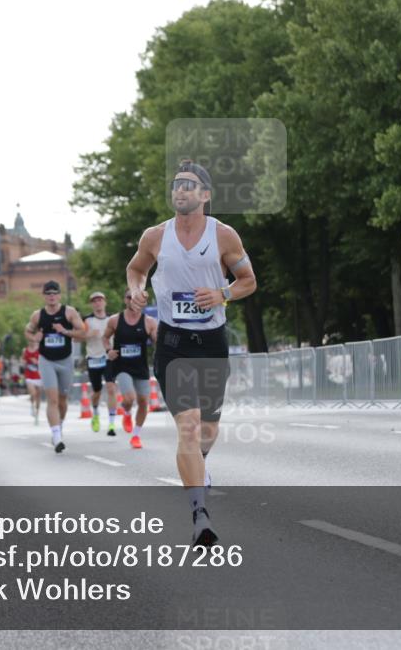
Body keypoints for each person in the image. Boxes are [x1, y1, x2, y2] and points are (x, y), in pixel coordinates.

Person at [126, 159, 256, 546]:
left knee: (208, 430)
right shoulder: (155, 236)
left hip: (212, 341)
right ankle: (200, 514)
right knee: (189, 425)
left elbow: (249, 280)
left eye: (188, 184)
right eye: (176, 184)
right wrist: (136, 289)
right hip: (173, 343)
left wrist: (222, 294)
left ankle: (198, 463)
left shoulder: (224, 236)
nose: (180, 190)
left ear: (205, 195)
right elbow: (136, 269)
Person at [25, 280, 87, 452]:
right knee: (52, 399)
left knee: (62, 399)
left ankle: (59, 425)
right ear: (44, 296)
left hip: (65, 360)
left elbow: (83, 332)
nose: (51, 296)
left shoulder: (69, 312)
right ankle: (57, 436)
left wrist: (65, 331)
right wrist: (34, 337)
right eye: (48, 293)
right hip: (47, 360)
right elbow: (28, 330)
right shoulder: (38, 315)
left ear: (59, 295)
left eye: (54, 293)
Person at [103, 290, 159, 449]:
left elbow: (157, 341)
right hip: (122, 366)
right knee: (129, 398)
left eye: (137, 298)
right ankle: (127, 413)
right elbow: (105, 338)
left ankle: (136, 435)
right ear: (125, 300)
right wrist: (108, 351)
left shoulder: (149, 322)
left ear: (143, 302)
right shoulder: (115, 320)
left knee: (143, 402)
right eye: (129, 297)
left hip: (140, 367)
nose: (133, 301)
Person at [82, 291, 118, 434]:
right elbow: (76, 337)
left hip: (108, 357)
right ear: (91, 304)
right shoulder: (87, 320)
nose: (98, 303)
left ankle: (111, 423)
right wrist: (88, 334)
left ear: (105, 302)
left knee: (111, 388)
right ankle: (96, 413)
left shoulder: (112, 319)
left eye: (100, 300)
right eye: (94, 301)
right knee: (96, 391)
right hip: (93, 359)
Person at [22, 336, 43, 424]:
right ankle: (32, 406)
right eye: (30, 340)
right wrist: (24, 362)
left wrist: (37, 362)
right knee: (33, 393)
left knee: (38, 396)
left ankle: (37, 416)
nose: (32, 342)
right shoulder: (25, 350)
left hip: (39, 376)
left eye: (33, 340)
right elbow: (23, 361)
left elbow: (44, 361)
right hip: (29, 376)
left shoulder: (40, 349)